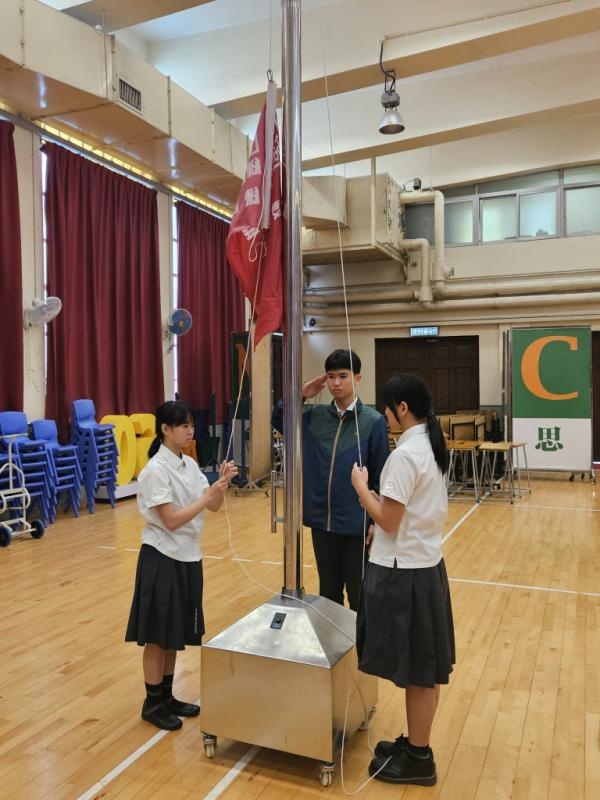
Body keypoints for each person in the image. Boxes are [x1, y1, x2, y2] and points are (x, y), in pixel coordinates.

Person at [350, 374, 454, 786]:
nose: (384, 413)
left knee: (419, 670)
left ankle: (419, 757)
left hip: (406, 573)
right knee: (422, 666)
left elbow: (389, 520)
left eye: (388, 407)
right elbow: (402, 514)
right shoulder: (429, 446)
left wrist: (362, 489)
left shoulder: (406, 455)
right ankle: (415, 745)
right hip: (424, 565)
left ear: (403, 408)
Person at [125, 400, 237, 731]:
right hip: (161, 557)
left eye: (191, 425)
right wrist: (206, 497)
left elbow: (213, 507)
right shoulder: (154, 471)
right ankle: (152, 702)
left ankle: (167, 696)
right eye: (183, 425)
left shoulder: (189, 463)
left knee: (174, 632)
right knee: (157, 635)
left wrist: (221, 484)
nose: (191, 430)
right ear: (165, 429)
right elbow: (171, 520)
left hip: (188, 556)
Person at [273, 349, 388, 611]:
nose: (336, 382)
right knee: (328, 593)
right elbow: (279, 420)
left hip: (357, 525)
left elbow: (381, 475)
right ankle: (333, 639)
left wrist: (376, 521)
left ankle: (362, 639)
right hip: (322, 523)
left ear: (357, 379)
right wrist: (300, 394)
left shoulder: (373, 422)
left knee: (360, 594)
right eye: (331, 376)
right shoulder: (315, 417)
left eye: (343, 376)